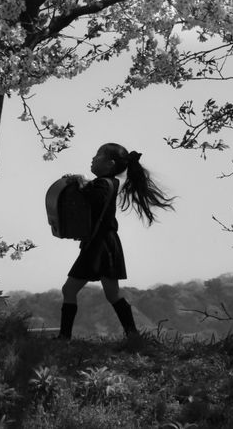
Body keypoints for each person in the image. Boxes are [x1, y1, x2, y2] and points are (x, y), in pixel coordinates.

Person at [57, 142, 174, 340]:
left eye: (97, 156)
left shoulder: (104, 184)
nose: (93, 159)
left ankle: (65, 338)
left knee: (70, 290)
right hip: (105, 244)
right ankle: (133, 335)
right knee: (111, 294)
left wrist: (79, 181)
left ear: (110, 164)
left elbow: (93, 199)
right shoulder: (110, 183)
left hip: (100, 246)